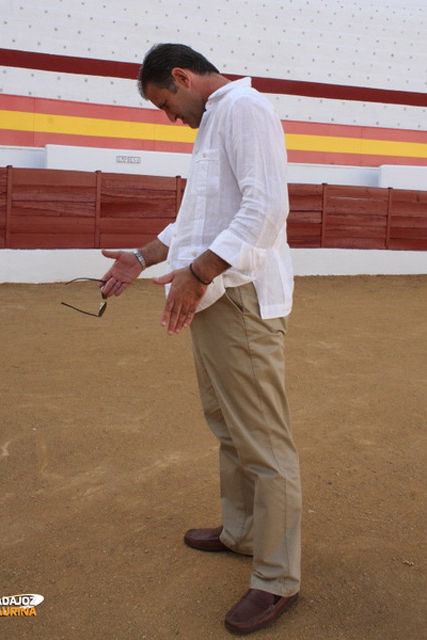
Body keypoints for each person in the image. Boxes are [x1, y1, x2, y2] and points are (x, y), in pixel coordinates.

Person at [100, 43, 302, 634]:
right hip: (215, 295)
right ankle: (241, 532)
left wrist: (196, 274)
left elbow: (266, 210)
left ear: (182, 77)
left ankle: (276, 579)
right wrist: (141, 257)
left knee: (264, 442)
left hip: (237, 297)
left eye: (167, 103)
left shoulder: (244, 109)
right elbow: (196, 220)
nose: (172, 117)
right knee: (227, 424)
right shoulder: (217, 120)